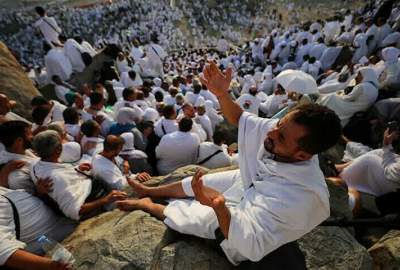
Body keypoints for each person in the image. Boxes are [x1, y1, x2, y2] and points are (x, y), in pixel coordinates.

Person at [116, 62, 342, 267]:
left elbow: (249, 243)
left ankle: (147, 204)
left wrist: (219, 206)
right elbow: (241, 119)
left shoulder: (302, 196)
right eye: (279, 124)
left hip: (247, 225)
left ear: (303, 156)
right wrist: (222, 94)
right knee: (199, 181)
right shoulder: (281, 132)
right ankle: (150, 190)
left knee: (192, 217)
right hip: (252, 182)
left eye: (281, 137)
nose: (271, 132)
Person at [30, 130, 127, 220]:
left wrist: (76, 169)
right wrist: (105, 200)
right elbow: (76, 211)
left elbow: (59, 172)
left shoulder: (35, 165)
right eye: (62, 143)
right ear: (59, 149)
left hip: (95, 191)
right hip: (97, 207)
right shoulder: (57, 179)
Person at [0, 121, 39, 194]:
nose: (32, 136)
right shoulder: (17, 176)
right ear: (19, 141)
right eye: (29, 134)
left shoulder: (22, 150)